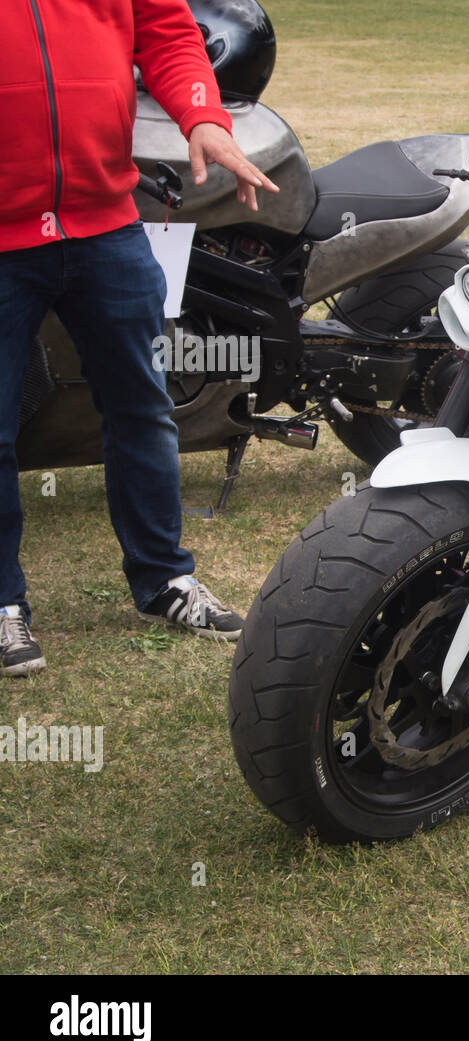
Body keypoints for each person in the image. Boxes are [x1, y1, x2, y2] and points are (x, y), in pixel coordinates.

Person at [0, 0, 279, 677]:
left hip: (105, 222)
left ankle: (163, 579)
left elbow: (165, 31)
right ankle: (3, 605)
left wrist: (204, 116)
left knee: (142, 407)